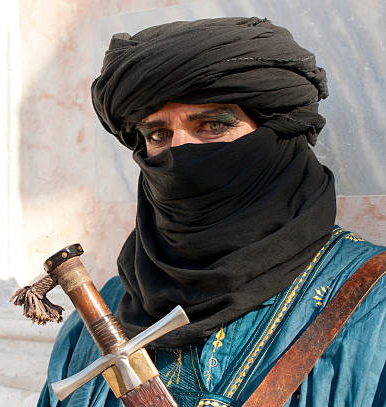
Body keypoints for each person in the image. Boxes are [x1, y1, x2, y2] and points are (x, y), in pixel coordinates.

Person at [36, 17, 385, 407]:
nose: (179, 149)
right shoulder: (101, 312)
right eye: (157, 134)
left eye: (213, 124)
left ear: (279, 135)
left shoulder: (374, 302)